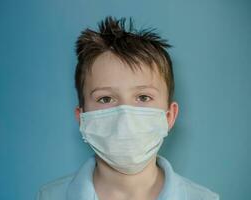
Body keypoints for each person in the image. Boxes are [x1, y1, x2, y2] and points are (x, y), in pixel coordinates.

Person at [37, 16, 219, 200]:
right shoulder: (49, 196)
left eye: (143, 97)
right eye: (105, 98)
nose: (125, 116)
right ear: (82, 118)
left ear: (169, 116)